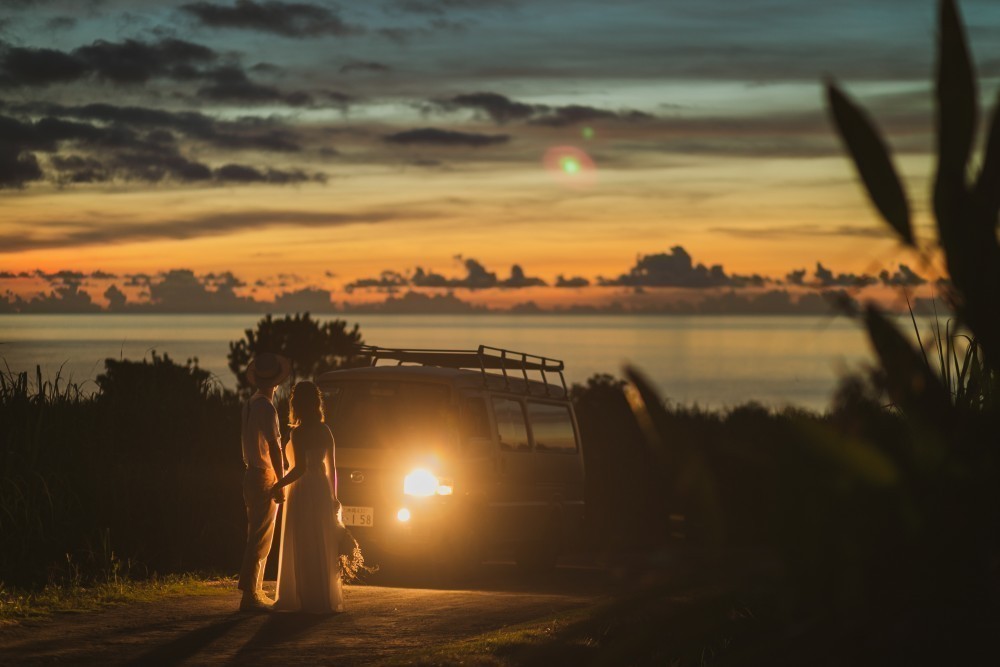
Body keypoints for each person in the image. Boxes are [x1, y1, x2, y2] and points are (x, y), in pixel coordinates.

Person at [270, 381, 346, 613]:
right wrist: (334, 496)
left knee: (303, 540)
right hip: (322, 489)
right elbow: (332, 468)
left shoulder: (299, 433)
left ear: (296, 405)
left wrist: (278, 484)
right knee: (320, 540)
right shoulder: (325, 431)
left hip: (302, 490)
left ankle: (303, 596)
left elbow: (300, 468)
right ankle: (321, 596)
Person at [238, 352, 291, 612]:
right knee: (260, 537)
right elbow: (274, 447)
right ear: (276, 382)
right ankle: (250, 594)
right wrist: (281, 482)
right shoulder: (266, 407)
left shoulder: (250, 403)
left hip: (250, 473)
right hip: (263, 474)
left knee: (256, 534)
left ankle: (253, 590)